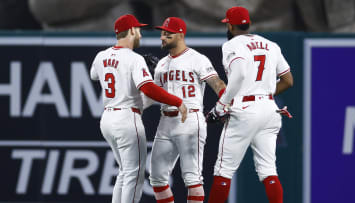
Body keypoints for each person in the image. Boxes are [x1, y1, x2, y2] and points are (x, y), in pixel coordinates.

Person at [90, 14, 188, 203]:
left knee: (125, 172)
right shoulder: (134, 59)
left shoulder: (101, 56)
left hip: (108, 119)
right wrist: (176, 101)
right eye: (139, 30)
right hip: (127, 120)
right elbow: (148, 88)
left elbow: (95, 75)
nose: (141, 35)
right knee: (135, 175)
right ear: (132, 31)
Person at [207, 7, 294, 203]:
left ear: (230, 25)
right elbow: (288, 80)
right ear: (248, 24)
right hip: (270, 109)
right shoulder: (271, 45)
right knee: (268, 170)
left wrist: (221, 106)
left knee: (224, 170)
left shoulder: (231, 45)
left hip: (245, 109)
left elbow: (239, 75)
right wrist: (265, 93)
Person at [146, 17, 227, 203]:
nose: (163, 37)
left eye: (168, 34)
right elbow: (154, 95)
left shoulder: (197, 59)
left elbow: (217, 83)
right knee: (157, 178)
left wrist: (226, 102)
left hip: (190, 119)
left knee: (192, 178)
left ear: (181, 34)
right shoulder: (161, 64)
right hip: (165, 121)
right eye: (162, 33)